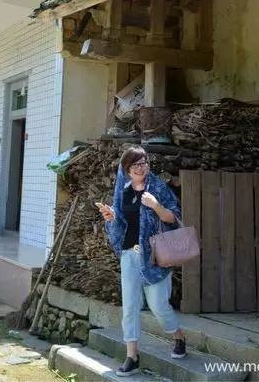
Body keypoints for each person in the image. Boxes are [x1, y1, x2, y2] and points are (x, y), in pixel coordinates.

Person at [95, 146, 186, 377]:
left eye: (144, 162)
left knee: (158, 306)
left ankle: (178, 335)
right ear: (126, 169)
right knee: (130, 308)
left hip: (153, 257)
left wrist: (155, 205)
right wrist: (111, 217)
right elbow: (122, 223)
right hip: (129, 255)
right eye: (135, 164)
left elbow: (174, 218)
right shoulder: (124, 191)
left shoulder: (157, 187)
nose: (141, 167)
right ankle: (132, 356)